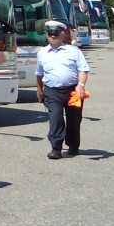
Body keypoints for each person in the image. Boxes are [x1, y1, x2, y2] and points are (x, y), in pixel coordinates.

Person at [35, 19, 91, 159]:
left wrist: (81, 85)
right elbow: (39, 74)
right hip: (52, 91)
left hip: (73, 91)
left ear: (62, 35)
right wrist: (40, 90)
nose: (52, 36)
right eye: (50, 33)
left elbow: (83, 70)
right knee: (55, 119)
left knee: (74, 120)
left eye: (55, 33)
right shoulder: (42, 53)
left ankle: (73, 145)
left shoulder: (73, 51)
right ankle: (56, 148)